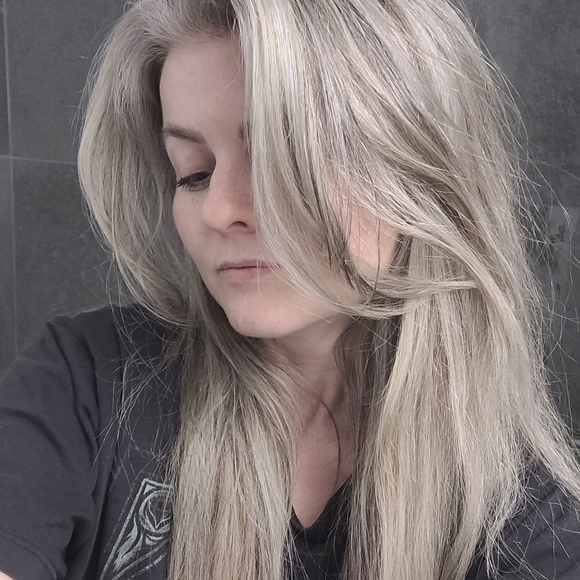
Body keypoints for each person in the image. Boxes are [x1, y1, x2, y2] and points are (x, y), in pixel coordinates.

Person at [1, 0, 580, 579]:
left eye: (282, 158)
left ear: (419, 172)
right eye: (194, 172)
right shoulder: (83, 384)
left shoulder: (518, 511)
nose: (219, 209)